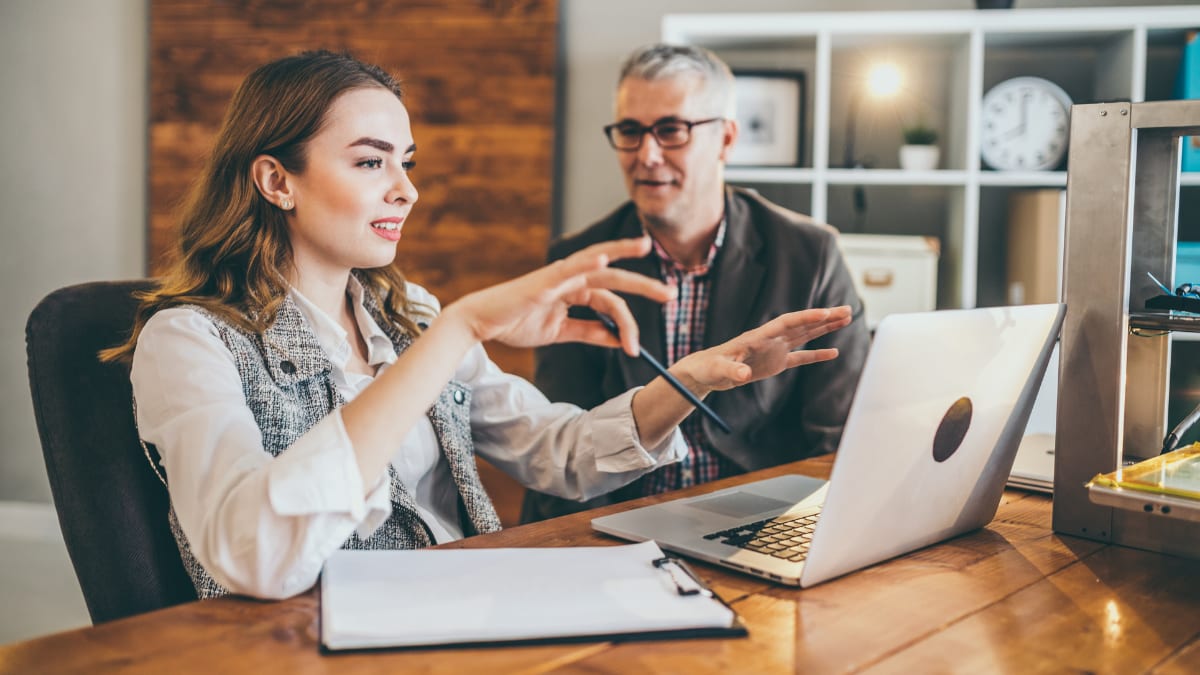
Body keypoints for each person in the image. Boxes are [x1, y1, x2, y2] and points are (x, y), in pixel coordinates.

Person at [99, 50, 853, 601]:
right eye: (370, 163)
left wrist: (690, 380)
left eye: (407, 161)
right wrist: (458, 331)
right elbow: (255, 556)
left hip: (463, 612)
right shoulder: (189, 340)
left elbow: (561, 451)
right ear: (275, 180)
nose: (407, 189)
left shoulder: (408, 312)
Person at [521, 44, 870, 523]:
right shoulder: (577, 261)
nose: (647, 154)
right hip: (624, 523)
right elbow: (560, 442)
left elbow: (838, 440)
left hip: (761, 519)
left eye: (671, 130)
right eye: (630, 131)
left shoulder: (811, 255)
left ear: (726, 139)